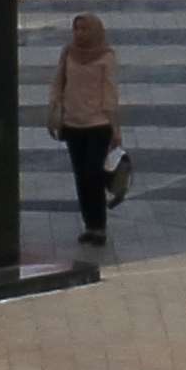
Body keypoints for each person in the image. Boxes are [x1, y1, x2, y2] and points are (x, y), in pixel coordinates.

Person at [47, 14, 121, 246]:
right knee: (81, 176)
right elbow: (59, 82)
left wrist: (115, 127)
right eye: (76, 29)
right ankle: (89, 225)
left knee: (93, 173)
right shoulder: (68, 52)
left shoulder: (106, 56)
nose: (79, 33)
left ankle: (99, 226)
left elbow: (110, 93)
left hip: (98, 125)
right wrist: (53, 110)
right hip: (73, 123)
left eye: (84, 29)